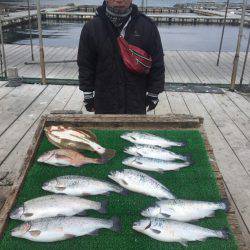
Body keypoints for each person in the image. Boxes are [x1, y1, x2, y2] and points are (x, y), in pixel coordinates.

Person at [77, 0, 165, 114]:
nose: (119, 0)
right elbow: (85, 64)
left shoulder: (147, 26)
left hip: (136, 100)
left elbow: (157, 62)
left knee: (135, 132)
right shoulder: (91, 27)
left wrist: (154, 92)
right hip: (104, 100)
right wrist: (87, 92)